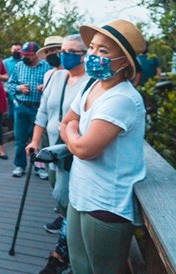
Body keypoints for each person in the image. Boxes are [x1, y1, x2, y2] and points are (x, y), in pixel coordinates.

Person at [60, 19, 146, 274]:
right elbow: (65, 121)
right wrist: (73, 134)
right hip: (79, 194)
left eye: (104, 51)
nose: (93, 55)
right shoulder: (92, 85)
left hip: (105, 203)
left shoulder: (122, 98)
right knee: (79, 266)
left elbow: (85, 149)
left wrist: (71, 133)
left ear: (123, 61)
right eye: (93, 48)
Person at [25, 34, 90, 274]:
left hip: (74, 155)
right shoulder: (56, 77)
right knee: (61, 200)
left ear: (84, 55)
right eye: (63, 50)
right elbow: (43, 112)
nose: (65, 55)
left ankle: (61, 255)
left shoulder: (91, 82)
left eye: (72, 51)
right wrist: (34, 141)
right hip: (51, 151)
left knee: (71, 202)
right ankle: (68, 248)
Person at [7, 41, 51, 178]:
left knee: (38, 140)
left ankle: (39, 168)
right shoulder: (19, 66)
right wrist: (19, 88)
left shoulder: (46, 67)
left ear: (35, 54)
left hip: (39, 108)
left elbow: (53, 85)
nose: (24, 57)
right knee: (20, 139)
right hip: (21, 107)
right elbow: (9, 85)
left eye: (27, 55)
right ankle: (20, 165)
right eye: (23, 54)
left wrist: (44, 87)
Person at [34, 35, 64, 180]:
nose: (51, 54)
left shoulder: (73, 74)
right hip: (48, 126)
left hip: (65, 130)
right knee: (52, 172)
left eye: (55, 50)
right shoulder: (49, 75)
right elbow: (44, 106)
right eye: (48, 52)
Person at [3, 42, 22, 130]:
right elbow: (2, 76)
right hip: (9, 93)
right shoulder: (5, 62)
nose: (16, 51)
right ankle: (11, 134)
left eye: (18, 50)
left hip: (23, 92)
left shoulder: (25, 61)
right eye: (14, 50)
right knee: (11, 115)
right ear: (11, 50)